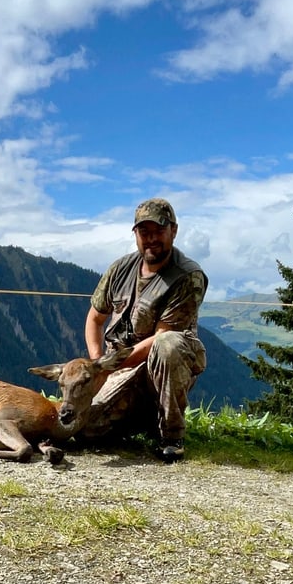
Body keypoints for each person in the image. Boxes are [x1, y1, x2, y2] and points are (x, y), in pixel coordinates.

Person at [82, 197, 208, 462]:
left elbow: (160, 338)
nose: (151, 239)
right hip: (117, 366)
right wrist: (96, 363)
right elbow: (95, 319)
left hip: (158, 367)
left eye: (158, 231)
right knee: (85, 430)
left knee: (168, 345)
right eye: (144, 232)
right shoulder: (119, 269)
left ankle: (171, 434)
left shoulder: (188, 276)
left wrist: (110, 366)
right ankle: (139, 418)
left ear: (173, 230)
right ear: (136, 234)